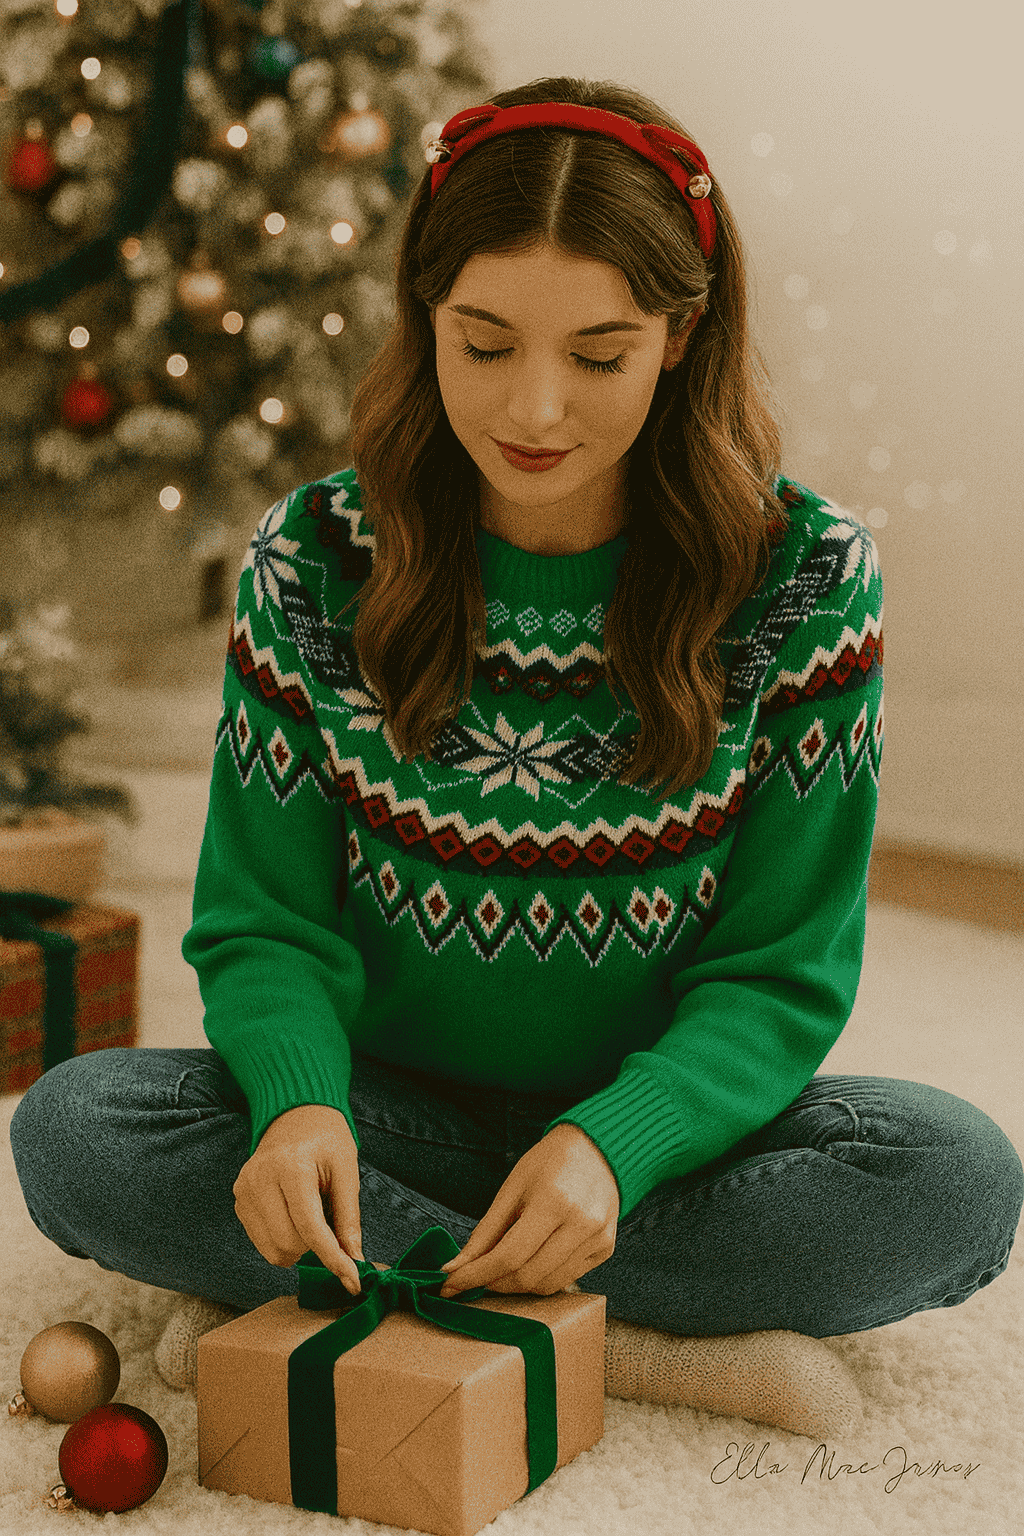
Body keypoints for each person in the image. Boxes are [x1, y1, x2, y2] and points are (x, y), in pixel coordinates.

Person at [10, 77, 1022, 1442]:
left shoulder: (806, 579)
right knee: (77, 1127)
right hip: (388, 1115)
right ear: (424, 311)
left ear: (681, 335)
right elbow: (267, 925)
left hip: (651, 1148)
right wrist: (300, 1112)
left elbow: (779, 976)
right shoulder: (310, 560)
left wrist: (615, 1145)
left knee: (955, 1180)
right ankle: (634, 1343)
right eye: (483, 344)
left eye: (599, 356)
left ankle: (361, 1293)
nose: (534, 408)